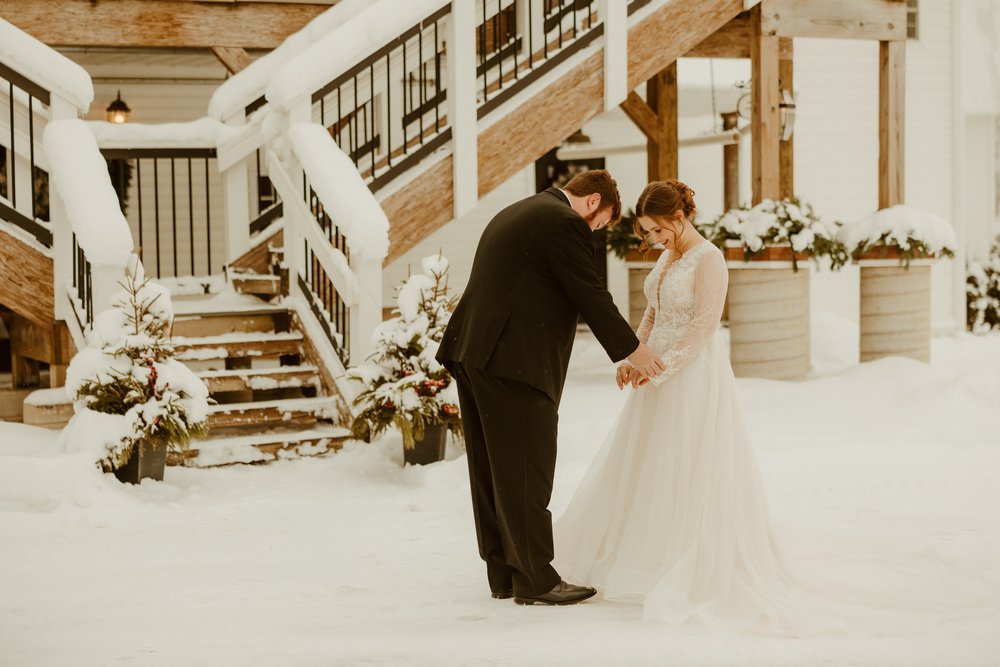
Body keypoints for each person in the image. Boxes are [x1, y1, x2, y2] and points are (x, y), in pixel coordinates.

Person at [553, 179, 798, 630]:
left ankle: (678, 556)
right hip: (655, 370)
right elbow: (652, 312)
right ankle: (640, 549)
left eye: (657, 231)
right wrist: (634, 355)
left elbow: (704, 326)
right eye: (647, 232)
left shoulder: (710, 259)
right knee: (647, 464)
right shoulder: (668, 257)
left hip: (692, 376)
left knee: (683, 463)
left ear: (679, 218)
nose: (652, 240)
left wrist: (659, 368)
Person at [436, 170, 666, 606]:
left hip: (474, 352)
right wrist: (633, 351)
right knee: (526, 470)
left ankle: (504, 573)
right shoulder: (563, 222)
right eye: (599, 226)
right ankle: (536, 579)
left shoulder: (522, 209)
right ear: (593, 202)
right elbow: (590, 293)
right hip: (513, 361)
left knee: (492, 471)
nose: (593, 234)